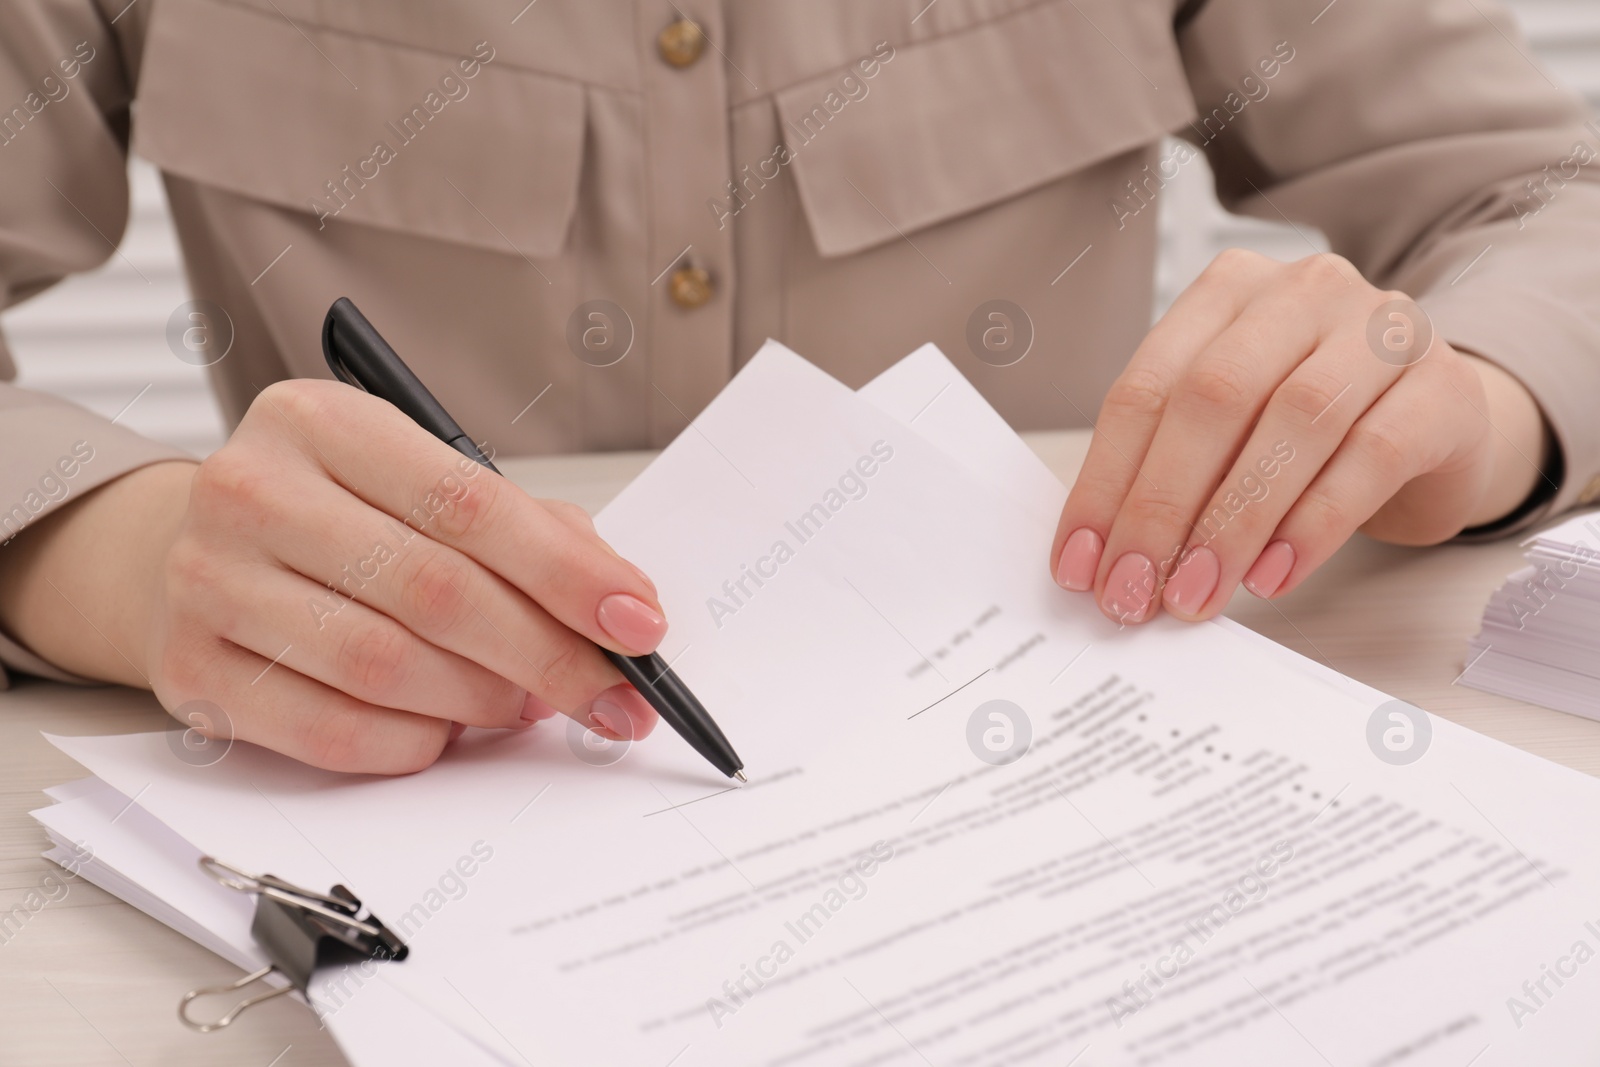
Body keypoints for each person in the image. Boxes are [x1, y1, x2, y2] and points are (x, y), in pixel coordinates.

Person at [0, 0, 1592, 773]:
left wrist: (1469, 400)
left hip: (1053, 776)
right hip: (385, 807)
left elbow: (1555, 194)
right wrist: (124, 555)